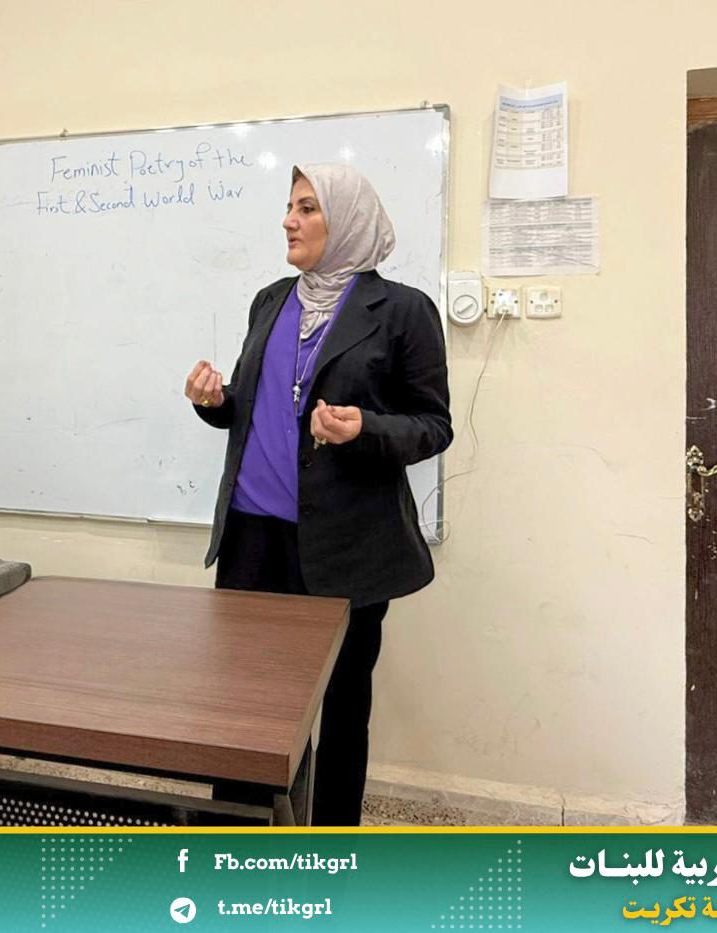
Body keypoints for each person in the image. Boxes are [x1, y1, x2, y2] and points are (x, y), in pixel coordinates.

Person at [183, 163, 452, 825]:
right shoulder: (270, 300)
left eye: (307, 208)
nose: (289, 220)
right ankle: (234, 836)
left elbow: (433, 424)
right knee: (245, 706)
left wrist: (365, 429)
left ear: (348, 221)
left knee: (342, 706)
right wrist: (216, 402)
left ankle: (330, 844)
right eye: (289, 207)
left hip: (348, 546)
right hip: (253, 538)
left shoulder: (404, 311)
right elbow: (254, 405)